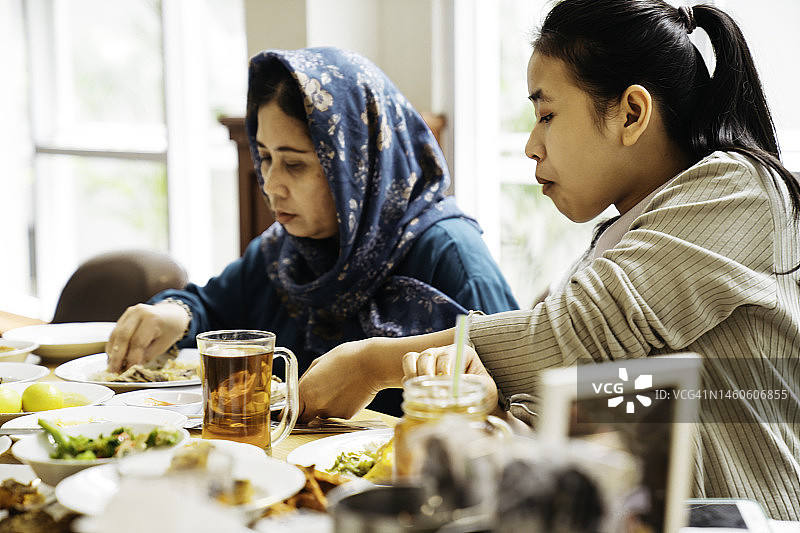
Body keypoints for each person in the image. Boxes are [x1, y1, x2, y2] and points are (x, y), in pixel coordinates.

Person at [298, 1, 800, 520]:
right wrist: (488, 400)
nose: (532, 146)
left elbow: (565, 337)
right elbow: (575, 423)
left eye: (547, 115)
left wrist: (367, 365)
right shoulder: (622, 239)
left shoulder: (741, 190)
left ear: (632, 113)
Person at [105, 46, 518, 416]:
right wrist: (172, 314)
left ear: (355, 168)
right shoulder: (283, 251)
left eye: (295, 164)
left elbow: (514, 393)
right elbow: (211, 309)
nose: (270, 184)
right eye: (264, 158)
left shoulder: (450, 255)